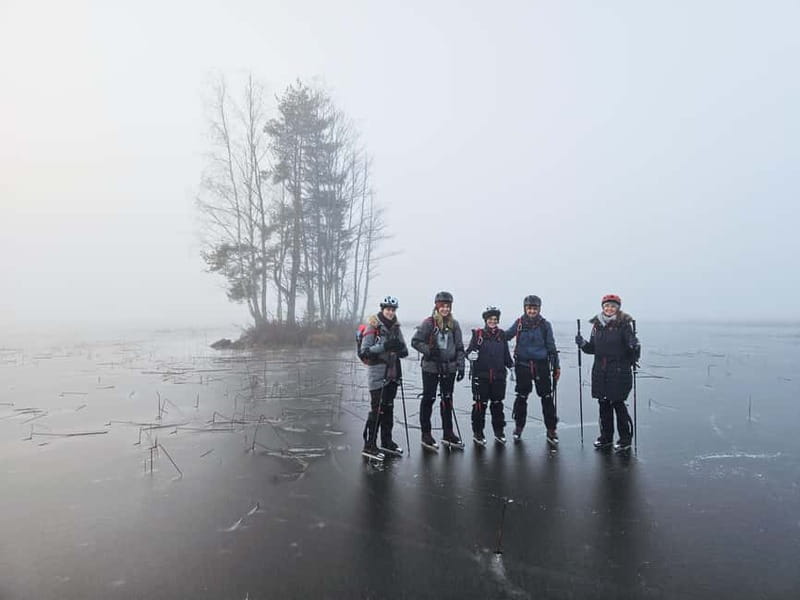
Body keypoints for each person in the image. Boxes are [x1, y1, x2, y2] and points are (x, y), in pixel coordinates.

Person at [575, 294, 641, 452]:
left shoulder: (624, 325)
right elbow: (592, 349)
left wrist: (635, 345)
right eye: (606, 306)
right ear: (602, 307)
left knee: (618, 404)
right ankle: (606, 437)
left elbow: (633, 350)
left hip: (619, 371)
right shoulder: (597, 326)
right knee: (603, 405)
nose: (609, 308)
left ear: (617, 308)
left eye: (612, 306)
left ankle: (625, 439)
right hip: (600, 371)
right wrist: (583, 344)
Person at [411, 291, 466, 450]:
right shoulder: (429, 323)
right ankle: (426, 434)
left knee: (447, 400)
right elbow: (415, 341)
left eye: (448, 306)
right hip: (431, 367)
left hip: (449, 368)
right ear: (437, 306)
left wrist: (461, 366)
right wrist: (429, 350)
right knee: (429, 398)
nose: (445, 309)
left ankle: (448, 433)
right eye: (442, 306)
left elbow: (460, 347)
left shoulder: (454, 325)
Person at [505, 295, 561, 445]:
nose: (532, 311)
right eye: (529, 308)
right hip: (522, 365)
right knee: (521, 397)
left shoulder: (545, 325)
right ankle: (518, 427)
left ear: (539, 309)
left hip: (541, 365)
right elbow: (506, 336)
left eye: (534, 308)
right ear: (525, 309)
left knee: (547, 397)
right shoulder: (519, 323)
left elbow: (551, 347)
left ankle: (551, 429)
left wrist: (556, 366)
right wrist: (489, 335)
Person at [359, 295, 409, 459]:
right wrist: (384, 346)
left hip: (393, 375)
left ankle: (387, 441)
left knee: (388, 409)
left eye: (393, 310)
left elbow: (405, 351)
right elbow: (365, 351)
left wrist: (400, 348)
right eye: (388, 309)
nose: (390, 312)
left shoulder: (396, 327)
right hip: (377, 375)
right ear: (382, 309)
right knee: (377, 410)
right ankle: (369, 445)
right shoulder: (373, 326)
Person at [465, 306, 514, 445]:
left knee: (497, 405)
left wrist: (512, 367)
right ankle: (478, 433)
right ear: (485, 320)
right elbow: (468, 351)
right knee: (480, 405)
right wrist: (470, 355)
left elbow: (506, 354)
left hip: (498, 376)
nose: (493, 321)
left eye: (495, 319)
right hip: (481, 376)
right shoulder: (478, 335)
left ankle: (499, 432)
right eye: (490, 319)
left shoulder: (501, 335)